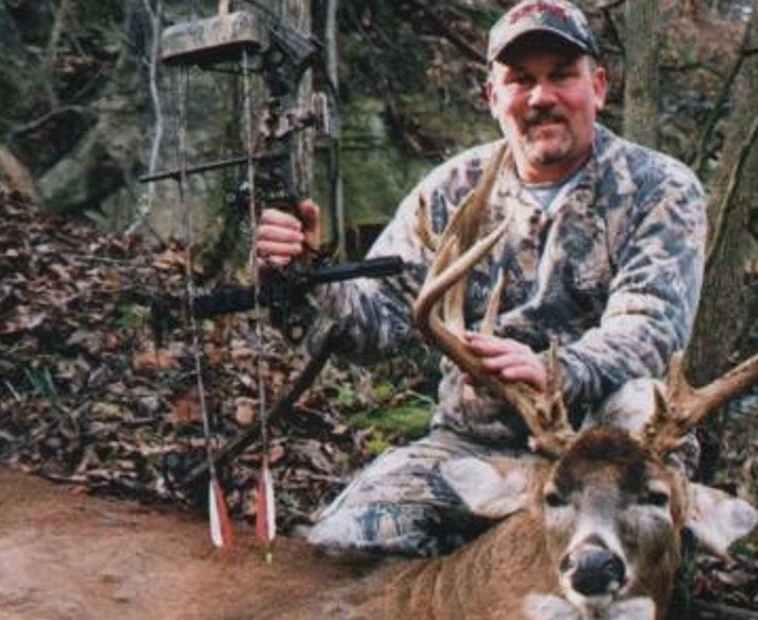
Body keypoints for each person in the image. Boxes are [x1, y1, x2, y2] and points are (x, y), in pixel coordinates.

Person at [255, 0, 707, 558]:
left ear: (600, 87)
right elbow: (377, 325)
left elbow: (650, 330)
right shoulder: (450, 191)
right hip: (479, 447)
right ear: (493, 97)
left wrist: (555, 373)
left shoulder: (660, 188)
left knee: (644, 409)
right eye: (520, 80)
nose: (542, 97)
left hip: (603, 447)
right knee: (339, 546)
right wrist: (308, 274)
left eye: (561, 76)